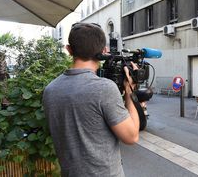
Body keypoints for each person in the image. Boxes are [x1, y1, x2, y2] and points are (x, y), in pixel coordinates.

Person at [43, 23, 140, 177]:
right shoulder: (104, 89)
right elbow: (132, 136)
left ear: (69, 50)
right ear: (104, 51)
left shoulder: (50, 90)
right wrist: (129, 92)